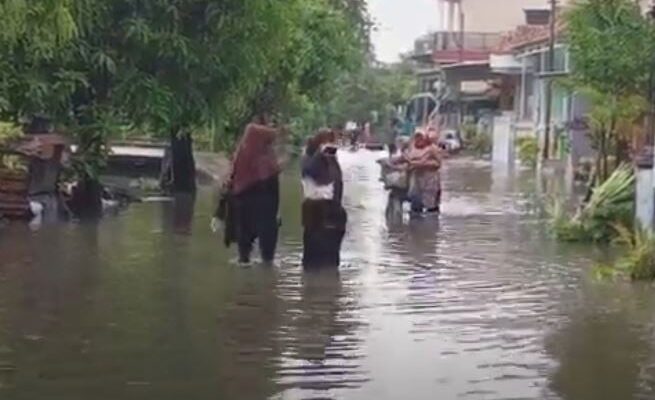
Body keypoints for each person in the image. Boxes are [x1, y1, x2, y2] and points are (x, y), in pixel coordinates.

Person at [216, 114, 283, 265]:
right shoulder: (269, 160)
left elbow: (232, 175)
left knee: (244, 237)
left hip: (243, 203)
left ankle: (244, 260)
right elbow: (275, 190)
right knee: (267, 241)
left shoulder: (243, 150)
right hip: (265, 209)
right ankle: (267, 265)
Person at [301, 129, 347, 269]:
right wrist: (319, 154)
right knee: (313, 257)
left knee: (331, 260)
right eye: (328, 142)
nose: (332, 146)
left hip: (332, 210)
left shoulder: (332, 161)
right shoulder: (310, 159)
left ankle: (328, 285)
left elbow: (338, 185)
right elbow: (308, 172)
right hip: (315, 210)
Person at [406, 130, 442, 215]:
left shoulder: (432, 149)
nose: (418, 140)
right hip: (416, 179)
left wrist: (423, 164)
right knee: (415, 206)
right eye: (416, 138)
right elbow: (407, 162)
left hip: (430, 179)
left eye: (421, 138)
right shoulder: (412, 149)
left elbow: (438, 163)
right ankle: (416, 225)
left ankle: (431, 225)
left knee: (431, 206)